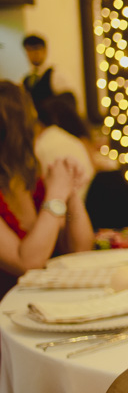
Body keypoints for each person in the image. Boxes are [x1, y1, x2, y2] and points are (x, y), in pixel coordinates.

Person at [0, 82, 93, 297]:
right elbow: (27, 264)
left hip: (45, 304)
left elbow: (81, 250)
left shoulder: (29, 181)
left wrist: (70, 191)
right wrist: (57, 194)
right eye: (32, 124)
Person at [21, 34, 71, 111]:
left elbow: (67, 102)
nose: (33, 53)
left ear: (45, 50)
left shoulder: (55, 75)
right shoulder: (26, 79)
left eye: (36, 49)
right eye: (29, 50)